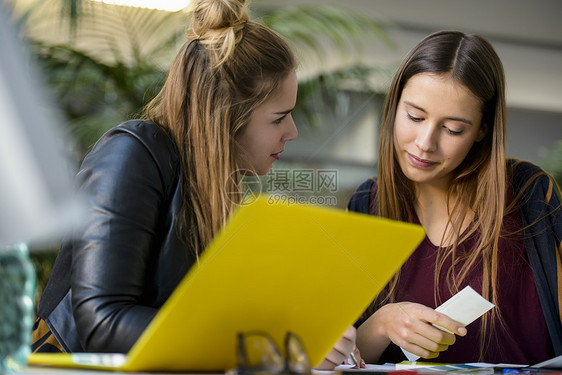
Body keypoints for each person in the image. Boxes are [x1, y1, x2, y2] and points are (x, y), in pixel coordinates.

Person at [31, 0, 359, 369]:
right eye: (279, 118)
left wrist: (306, 334)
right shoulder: (132, 152)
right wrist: (255, 342)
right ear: (225, 116)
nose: (292, 132)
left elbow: (218, 318)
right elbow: (102, 323)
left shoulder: (221, 190)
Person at [348, 30, 562, 365]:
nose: (424, 142)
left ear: (482, 130)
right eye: (414, 116)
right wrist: (383, 323)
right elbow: (343, 357)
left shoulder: (528, 192)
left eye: (453, 129)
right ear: (394, 106)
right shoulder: (367, 204)